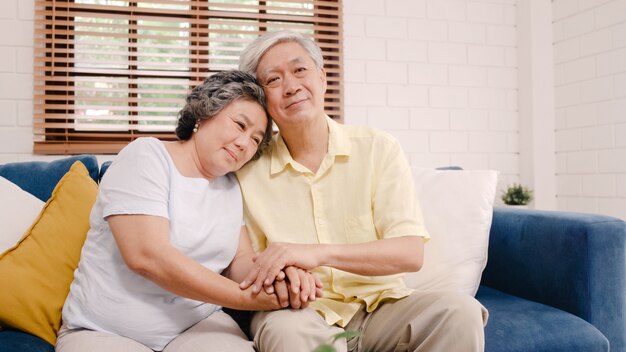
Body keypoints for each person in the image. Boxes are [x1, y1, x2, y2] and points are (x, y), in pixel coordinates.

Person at [236, 31, 489, 352]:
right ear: (262, 98)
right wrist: (280, 276)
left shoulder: (378, 148)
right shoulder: (246, 165)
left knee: (460, 312)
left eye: (300, 70)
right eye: (273, 79)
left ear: (322, 78)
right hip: (299, 311)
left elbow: (409, 253)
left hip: (382, 305)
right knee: (288, 333)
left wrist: (316, 252)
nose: (291, 86)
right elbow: (240, 262)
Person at [57, 70, 321, 352]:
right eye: (239, 125)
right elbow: (147, 256)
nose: (245, 143)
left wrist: (280, 278)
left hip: (195, 326)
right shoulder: (147, 156)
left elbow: (239, 262)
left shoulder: (230, 186)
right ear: (204, 113)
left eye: (256, 139)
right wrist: (245, 299)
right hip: (106, 330)